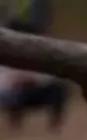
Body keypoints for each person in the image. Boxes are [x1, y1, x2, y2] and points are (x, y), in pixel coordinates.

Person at [0, 0, 67, 130]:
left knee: (58, 89)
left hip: (34, 89)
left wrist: (33, 79)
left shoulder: (39, 47)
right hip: (13, 91)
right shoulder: (6, 48)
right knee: (14, 93)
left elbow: (48, 75)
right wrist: (15, 80)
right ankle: (15, 123)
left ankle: (55, 124)